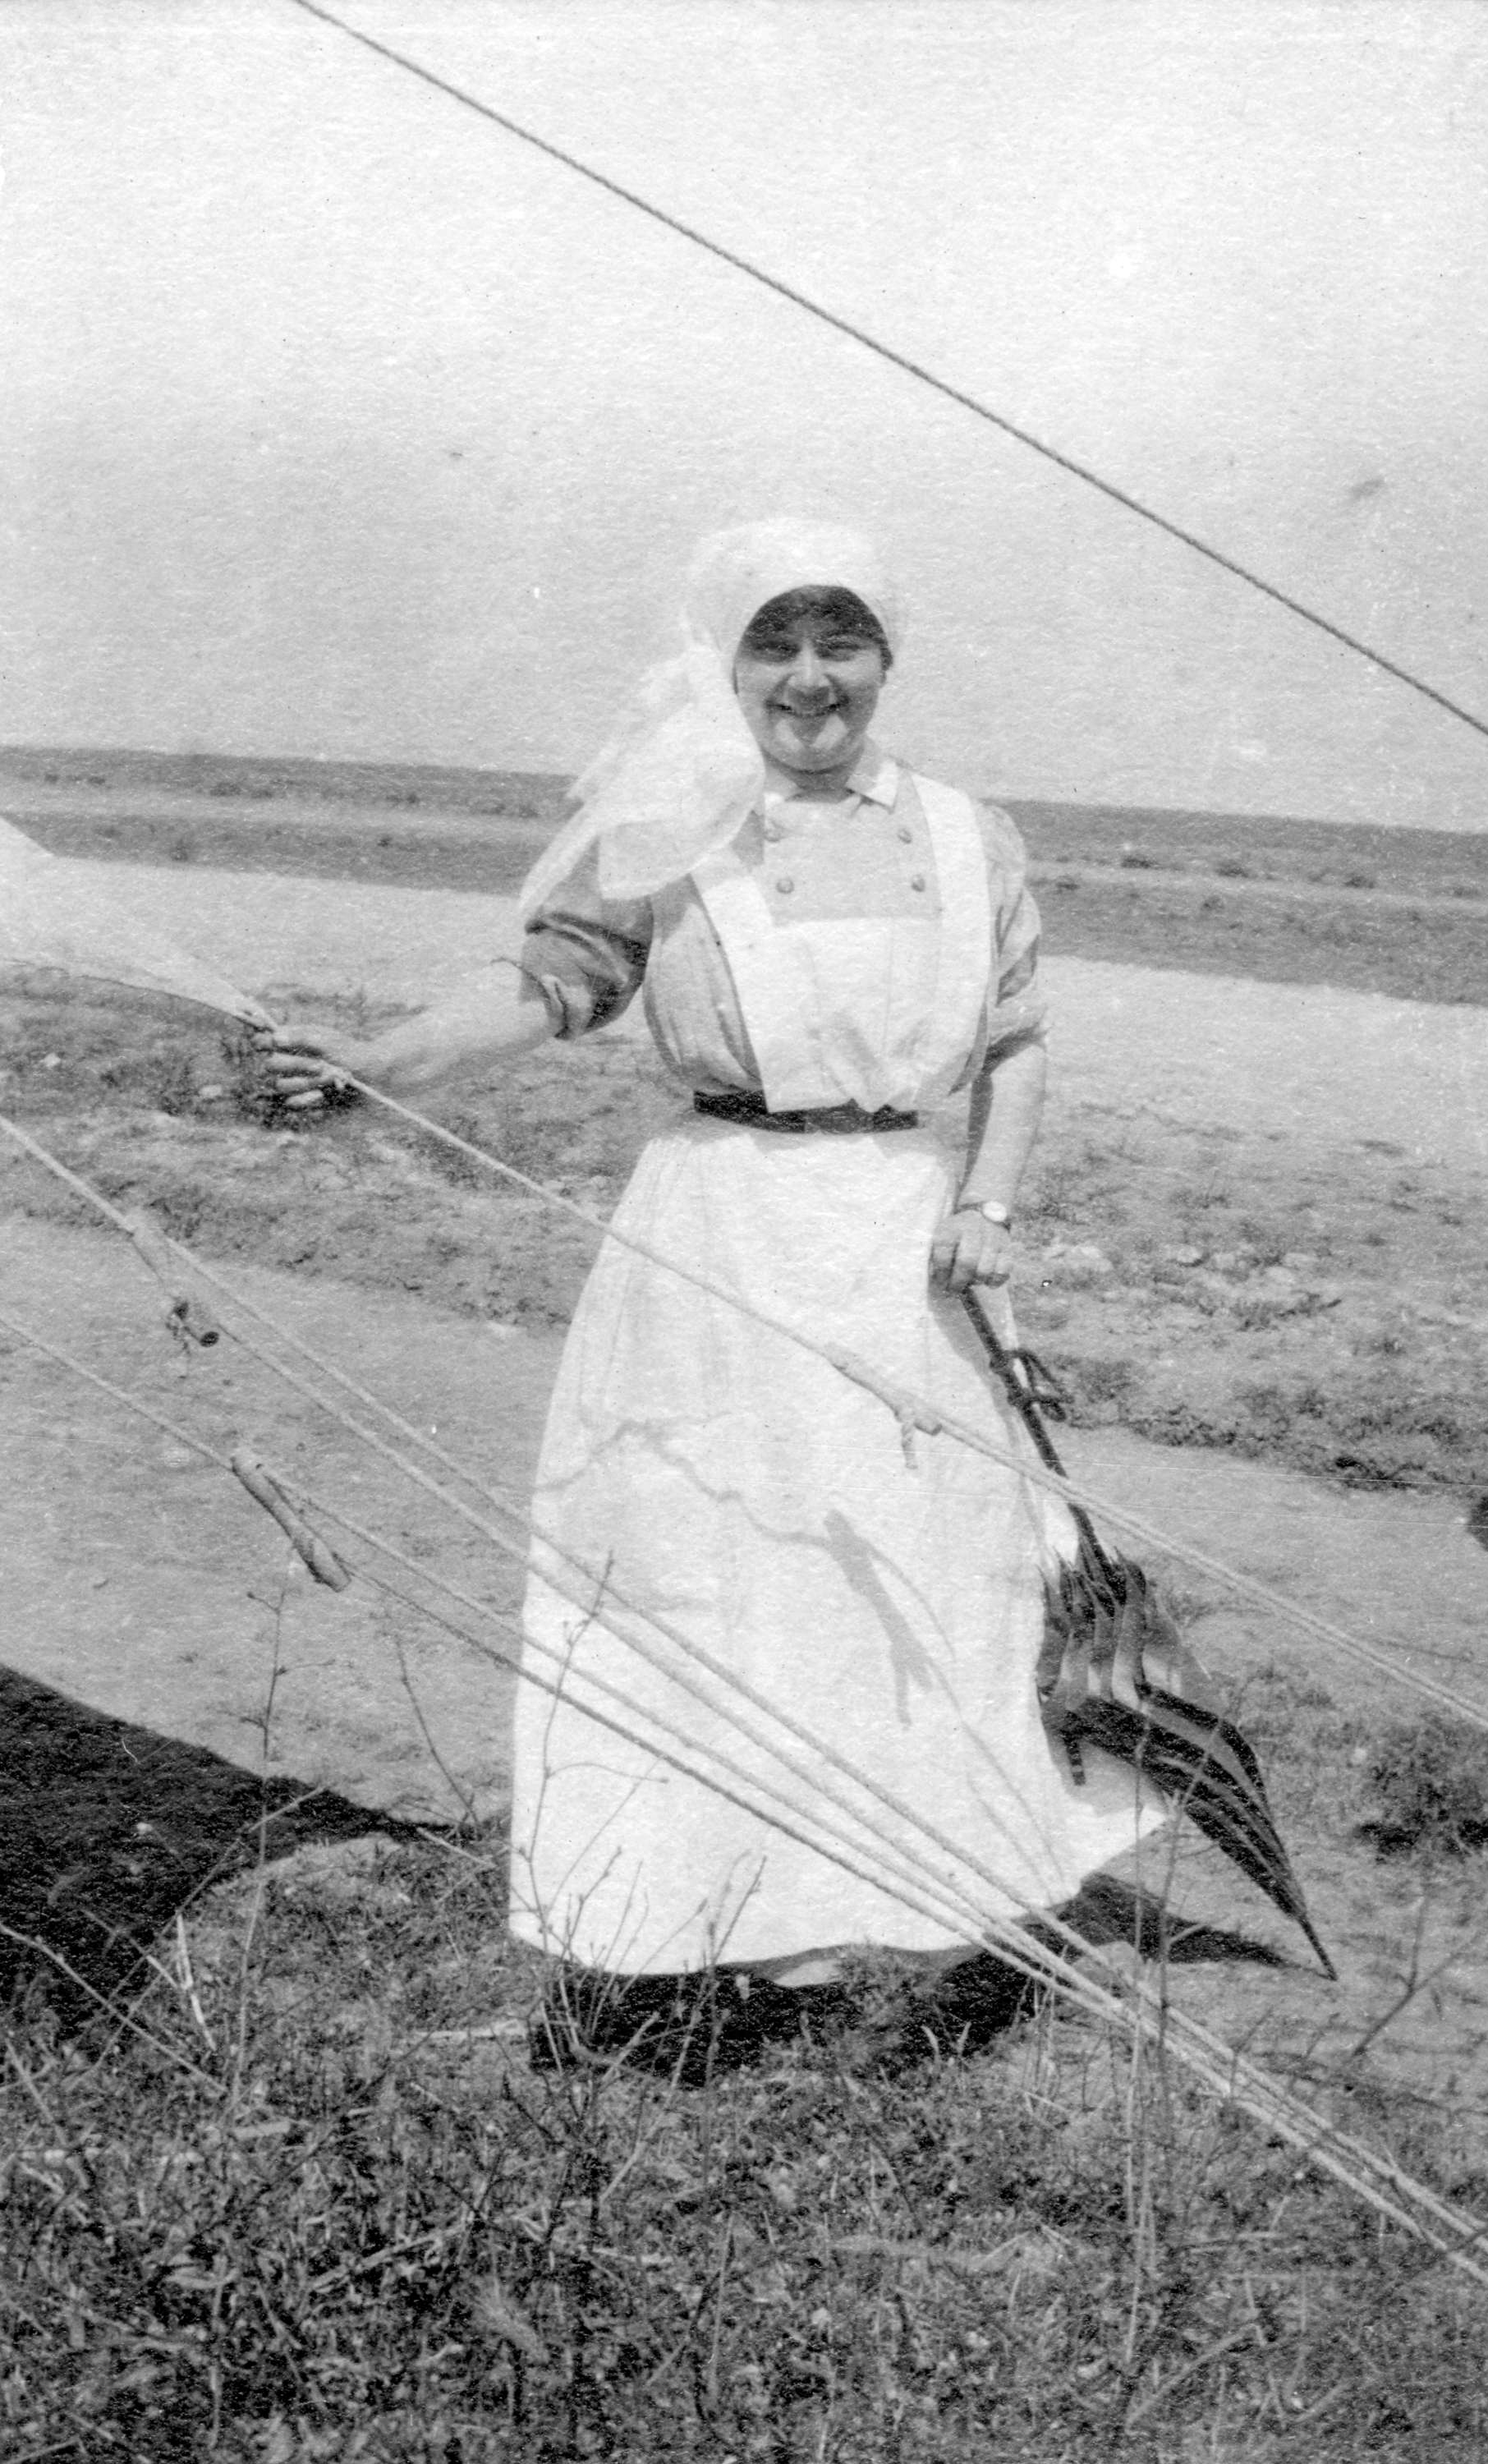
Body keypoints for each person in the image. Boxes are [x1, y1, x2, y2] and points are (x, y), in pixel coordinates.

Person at [265, 519, 1166, 2075]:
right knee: (706, 1561)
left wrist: (990, 1203)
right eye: (773, 645)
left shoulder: (966, 833)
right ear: (724, 661)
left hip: (902, 1240)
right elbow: (548, 989)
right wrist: (371, 1063)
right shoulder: (670, 820)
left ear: (888, 655)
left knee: (925, 1575)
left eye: (842, 643)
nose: (809, 680)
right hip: (719, 1232)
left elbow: (1018, 1041)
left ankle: (938, 1914)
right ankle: (703, 1934)